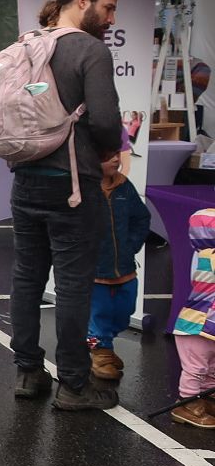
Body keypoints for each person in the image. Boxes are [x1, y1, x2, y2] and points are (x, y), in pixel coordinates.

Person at [10, 0, 123, 411]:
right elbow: (106, 121)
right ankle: (74, 384)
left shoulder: (28, 44)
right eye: (108, 8)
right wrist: (106, 153)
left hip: (26, 177)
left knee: (27, 277)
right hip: (74, 183)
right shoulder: (90, 50)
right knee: (74, 285)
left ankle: (27, 371)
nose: (111, 18)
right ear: (83, 1)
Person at [87, 150, 150, 383]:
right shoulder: (83, 189)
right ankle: (99, 351)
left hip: (125, 269)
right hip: (94, 273)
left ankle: (104, 344)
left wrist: (130, 246)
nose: (116, 159)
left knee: (124, 313)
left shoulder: (124, 186)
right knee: (98, 316)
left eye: (117, 154)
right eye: (108, 155)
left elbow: (141, 218)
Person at [169, 209, 215, 428]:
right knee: (195, 368)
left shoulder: (202, 255)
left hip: (208, 326)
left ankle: (207, 398)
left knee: (211, 368)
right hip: (197, 325)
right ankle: (186, 404)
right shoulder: (209, 257)